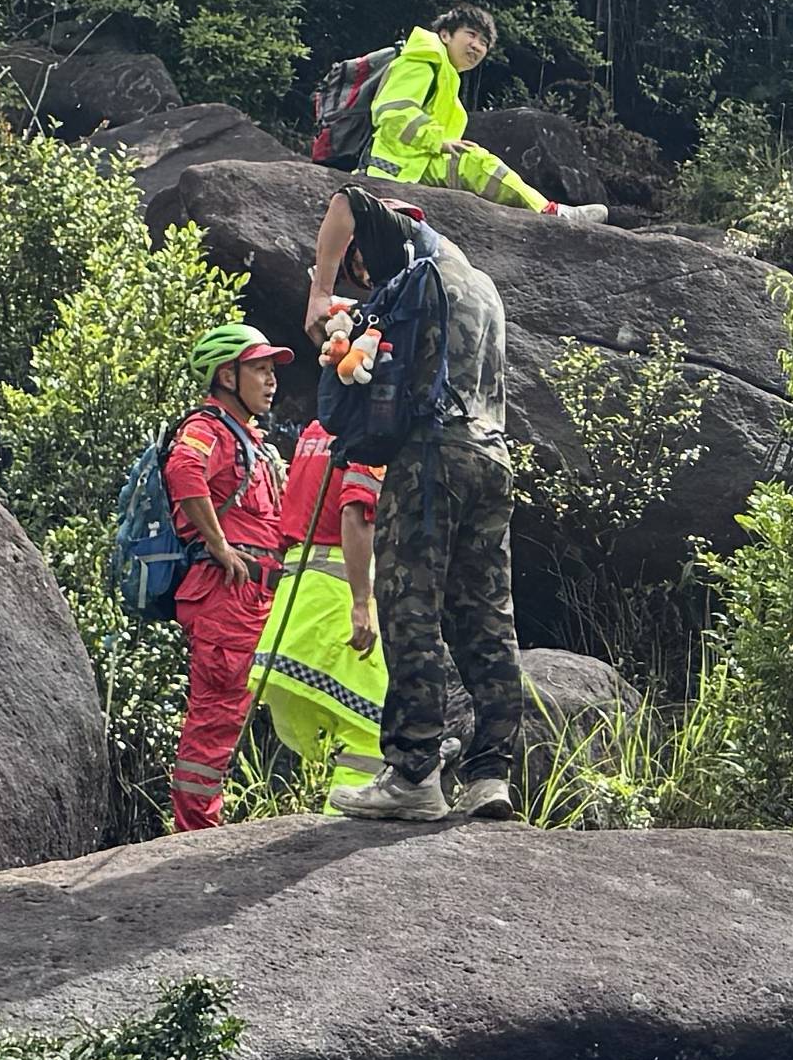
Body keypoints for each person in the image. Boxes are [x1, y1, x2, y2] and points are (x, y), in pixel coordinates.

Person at [298, 185, 531, 819]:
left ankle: (413, 773)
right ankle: (491, 774)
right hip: (492, 455)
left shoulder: (415, 251)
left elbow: (346, 200)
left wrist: (320, 292)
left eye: (361, 268)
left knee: (410, 606)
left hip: (432, 456)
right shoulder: (480, 287)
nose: (364, 277)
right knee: (485, 614)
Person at [159, 322, 289, 829]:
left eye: (272, 369)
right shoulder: (206, 428)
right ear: (226, 375)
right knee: (217, 711)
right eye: (259, 368)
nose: (271, 379)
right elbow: (183, 472)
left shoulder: (250, 440)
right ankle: (196, 832)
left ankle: (207, 822)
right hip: (224, 593)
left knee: (236, 713)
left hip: (256, 596)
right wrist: (218, 545)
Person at [245, 406, 391, 812]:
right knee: (375, 729)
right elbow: (356, 514)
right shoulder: (369, 432)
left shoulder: (316, 430)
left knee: (329, 731)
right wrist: (362, 603)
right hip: (335, 601)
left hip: (295, 607)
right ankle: (343, 828)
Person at [359, 4, 553, 214]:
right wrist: (438, 141)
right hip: (394, 167)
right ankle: (546, 211)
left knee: (471, 160)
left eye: (483, 42)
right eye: (471, 34)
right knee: (472, 161)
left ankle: (541, 210)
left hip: (416, 165)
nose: (477, 46)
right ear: (445, 35)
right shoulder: (421, 60)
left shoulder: (447, 81)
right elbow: (393, 113)